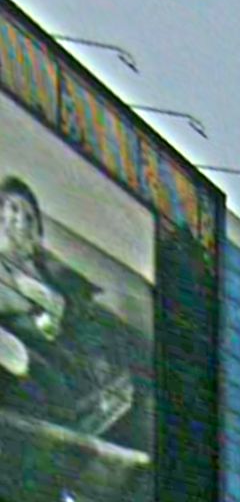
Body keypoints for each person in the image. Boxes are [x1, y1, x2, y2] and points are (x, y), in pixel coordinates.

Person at [0, 177, 152, 501]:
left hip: (75, 363)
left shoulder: (51, 272)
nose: (20, 219)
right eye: (12, 208)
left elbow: (77, 311)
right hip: (32, 358)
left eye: (29, 215)